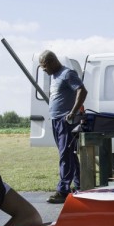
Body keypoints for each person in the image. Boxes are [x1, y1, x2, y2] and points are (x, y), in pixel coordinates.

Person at [39, 50, 88, 204]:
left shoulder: (67, 73)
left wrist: (73, 112)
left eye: (45, 66)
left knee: (65, 156)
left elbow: (82, 90)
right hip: (56, 120)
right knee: (69, 155)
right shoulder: (53, 76)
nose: (44, 70)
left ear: (53, 61)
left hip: (65, 120)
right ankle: (81, 186)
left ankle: (63, 191)